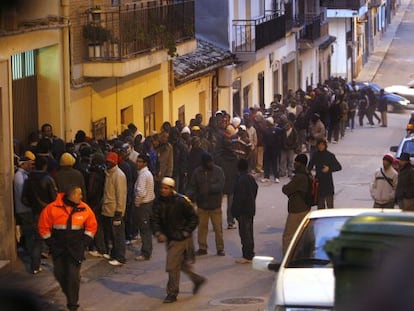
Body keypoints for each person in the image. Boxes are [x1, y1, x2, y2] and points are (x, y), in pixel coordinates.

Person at [38, 185, 97, 311]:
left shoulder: (84, 208)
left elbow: (92, 226)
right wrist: (50, 242)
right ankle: (69, 294)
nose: (81, 196)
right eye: (79, 194)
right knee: (59, 273)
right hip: (58, 248)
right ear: (72, 195)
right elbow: (43, 226)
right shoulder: (52, 208)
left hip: (75, 249)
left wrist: (84, 242)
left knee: (73, 276)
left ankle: (72, 304)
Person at [151, 177, 206, 303]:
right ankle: (197, 279)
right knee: (179, 264)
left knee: (172, 264)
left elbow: (193, 218)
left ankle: (172, 293)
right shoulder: (158, 202)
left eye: (166, 188)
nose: (163, 190)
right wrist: (158, 232)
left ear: (171, 189)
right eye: (162, 188)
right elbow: (154, 219)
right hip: (169, 237)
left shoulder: (181, 201)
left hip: (181, 237)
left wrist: (186, 231)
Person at [21, 156, 58, 274]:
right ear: (45, 165)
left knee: (37, 239)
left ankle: (35, 266)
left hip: (35, 212)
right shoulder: (48, 179)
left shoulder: (28, 179)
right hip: (48, 212)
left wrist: (33, 205)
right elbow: (54, 197)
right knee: (52, 238)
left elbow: (24, 198)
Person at [187, 152, 226, 256]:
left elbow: (221, 185)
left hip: (215, 205)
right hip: (202, 205)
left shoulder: (218, 171)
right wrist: (189, 196)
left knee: (218, 228)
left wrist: (209, 188)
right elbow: (192, 186)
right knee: (202, 228)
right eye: (208, 162)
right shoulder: (197, 172)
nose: (210, 164)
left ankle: (220, 248)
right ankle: (202, 247)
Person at [281, 154, 311, 254]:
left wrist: (285, 186)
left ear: (300, 163)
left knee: (288, 236)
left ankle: (287, 259)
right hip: (306, 207)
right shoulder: (308, 174)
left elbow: (286, 189)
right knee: (300, 235)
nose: (294, 164)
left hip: (297, 209)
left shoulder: (299, 177)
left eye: (296, 162)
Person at [102, 152, 127, 266]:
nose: (108, 163)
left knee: (118, 235)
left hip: (114, 211)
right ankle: (114, 254)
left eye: (110, 162)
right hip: (108, 209)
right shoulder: (108, 173)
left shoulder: (119, 175)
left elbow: (121, 195)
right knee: (112, 235)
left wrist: (119, 211)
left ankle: (120, 257)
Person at [231, 158, 258, 263]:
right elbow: (255, 189)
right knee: (249, 232)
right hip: (250, 209)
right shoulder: (250, 178)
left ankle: (247, 255)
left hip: (243, 211)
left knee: (244, 233)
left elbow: (239, 198)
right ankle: (250, 253)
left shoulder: (241, 180)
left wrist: (235, 211)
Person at [307, 138, 342, 209]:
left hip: (328, 182)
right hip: (319, 182)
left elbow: (338, 167)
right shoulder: (315, 155)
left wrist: (329, 168)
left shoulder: (330, 155)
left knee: (330, 205)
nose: (321, 146)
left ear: (325, 145)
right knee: (320, 205)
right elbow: (309, 167)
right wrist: (310, 175)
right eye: (319, 145)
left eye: (322, 145)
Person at [133, 153, 155, 261]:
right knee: (146, 229)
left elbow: (140, 193)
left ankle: (146, 252)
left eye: (140, 161)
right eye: (137, 161)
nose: (138, 163)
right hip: (148, 203)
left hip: (144, 205)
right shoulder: (147, 173)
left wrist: (137, 203)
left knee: (144, 229)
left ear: (145, 163)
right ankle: (147, 250)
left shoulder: (143, 175)